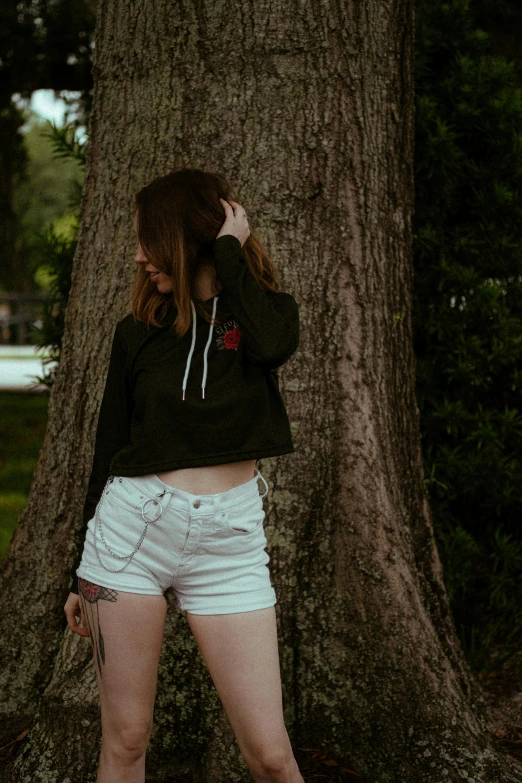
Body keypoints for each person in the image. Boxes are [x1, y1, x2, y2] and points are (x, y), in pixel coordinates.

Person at [63, 168, 303, 783]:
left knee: (273, 758)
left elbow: (274, 345)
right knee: (126, 740)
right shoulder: (137, 334)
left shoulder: (259, 319)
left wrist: (227, 250)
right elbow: (108, 449)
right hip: (129, 540)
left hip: (230, 547)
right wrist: (75, 573)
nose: (139, 257)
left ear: (188, 238)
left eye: (150, 240)